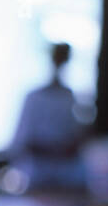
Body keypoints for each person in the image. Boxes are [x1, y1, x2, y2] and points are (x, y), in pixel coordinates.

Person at [9, 42, 86, 191]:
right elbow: (21, 142)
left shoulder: (70, 97)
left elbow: (77, 138)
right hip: (36, 173)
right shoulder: (34, 97)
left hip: (66, 175)